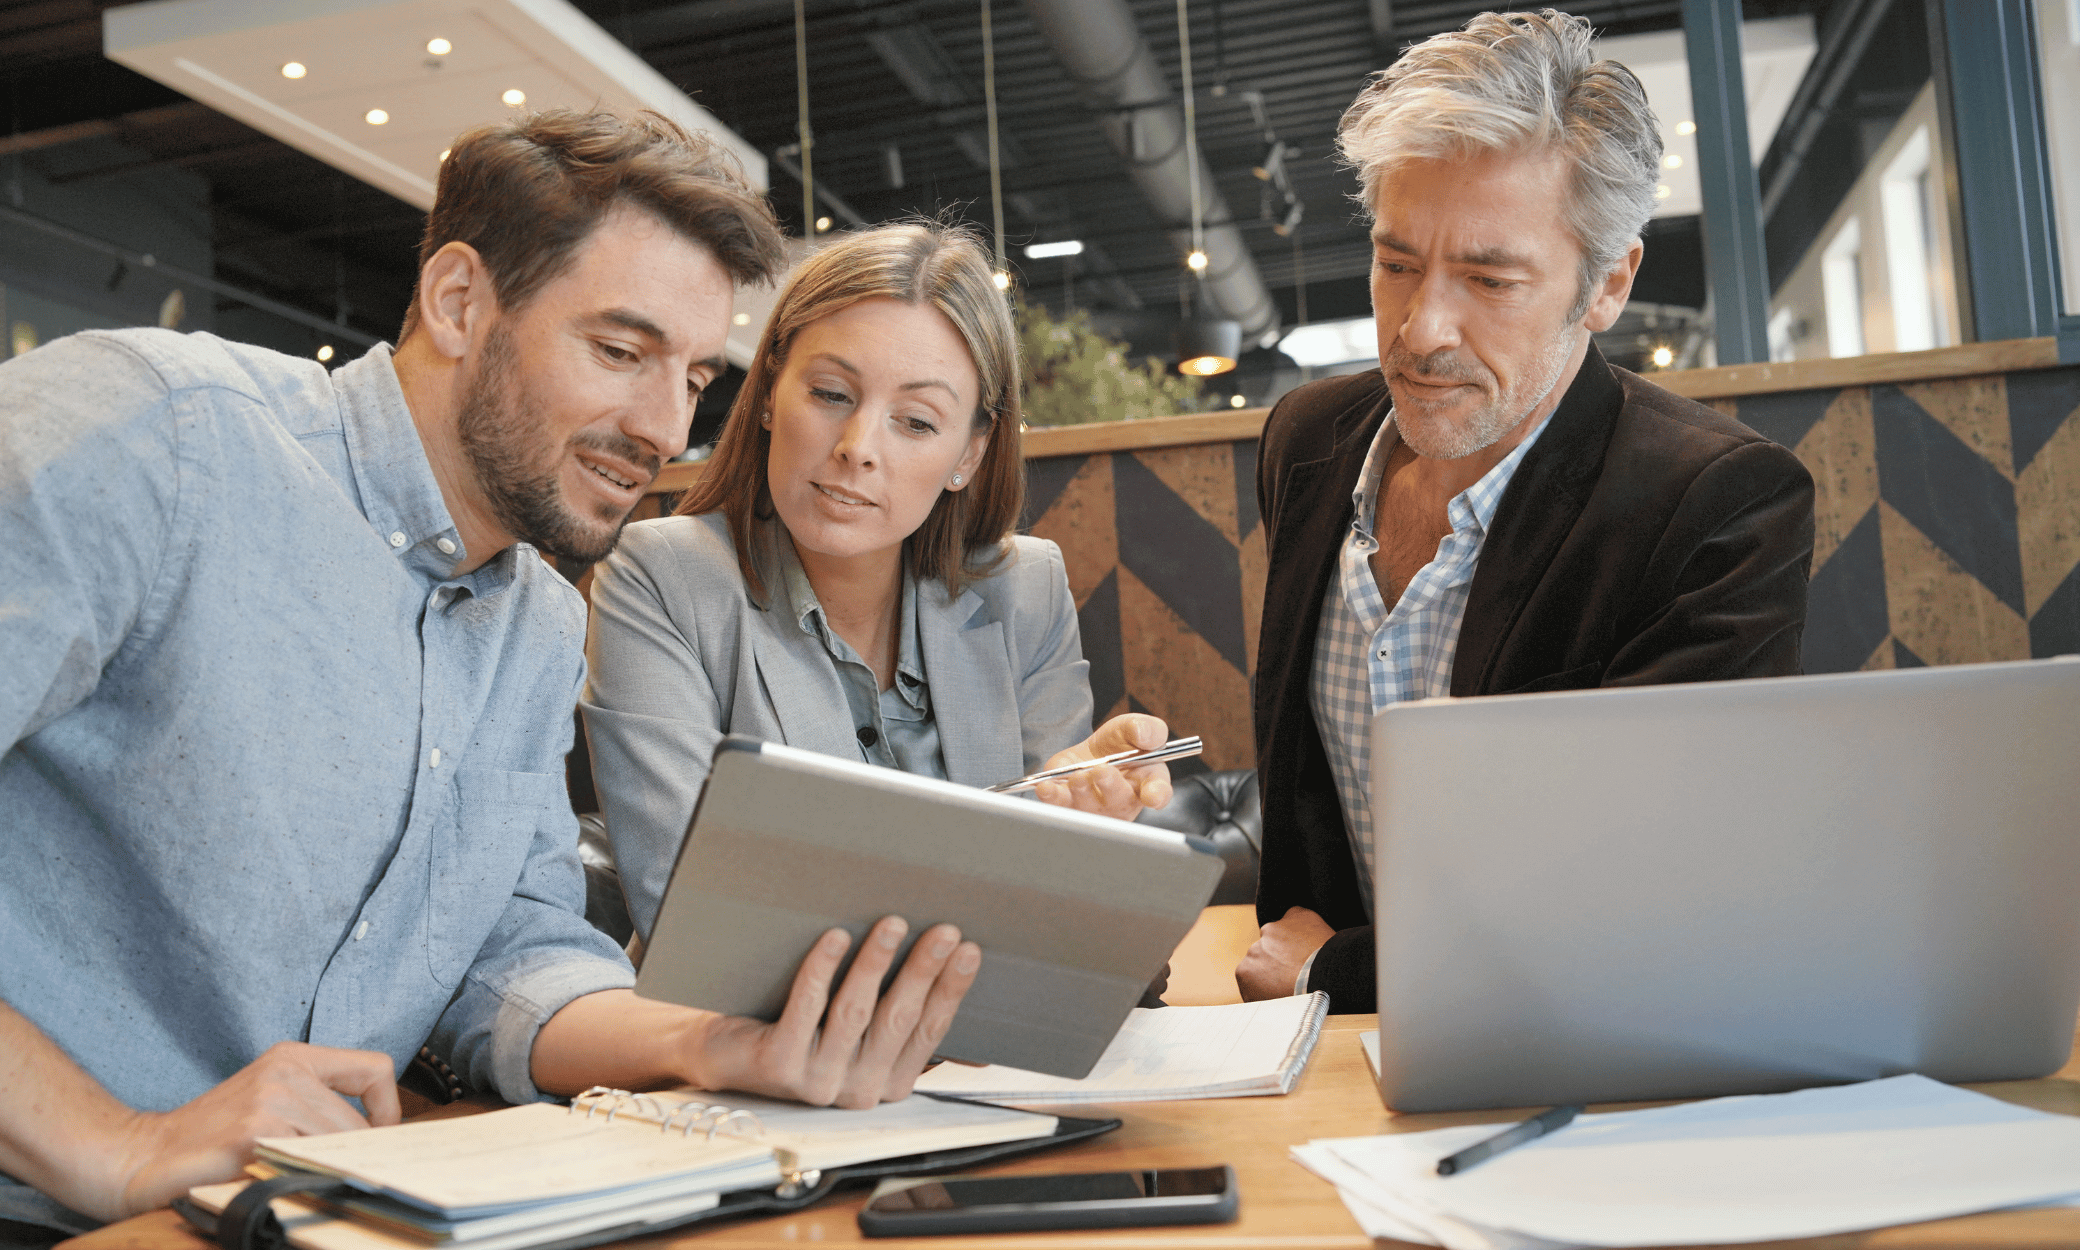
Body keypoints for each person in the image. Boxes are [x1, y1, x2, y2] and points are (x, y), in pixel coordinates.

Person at [0, 111, 981, 1245]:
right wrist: (117, 1139)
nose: (666, 426)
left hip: (297, 1209)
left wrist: (711, 1041)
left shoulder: (536, 624)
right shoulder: (157, 436)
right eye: (620, 351)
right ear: (459, 301)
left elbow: (506, 956)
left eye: (696, 375)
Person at [1236, 12, 1816, 1010]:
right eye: (1396, 262)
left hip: (1587, 1053)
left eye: (1489, 278)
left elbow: (1641, 899)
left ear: (1607, 284)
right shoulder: (1307, 442)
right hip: (1321, 1063)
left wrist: (1337, 973)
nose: (1421, 330)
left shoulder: (1718, 503)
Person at [581, 221, 1174, 944]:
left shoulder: (1027, 588)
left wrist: (1080, 824)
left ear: (969, 455)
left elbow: (1064, 923)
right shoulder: (659, 579)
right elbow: (696, 913)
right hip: (753, 1040)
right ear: (769, 393)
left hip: (998, 1039)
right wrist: (1012, 864)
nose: (857, 449)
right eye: (830, 394)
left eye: (917, 423)